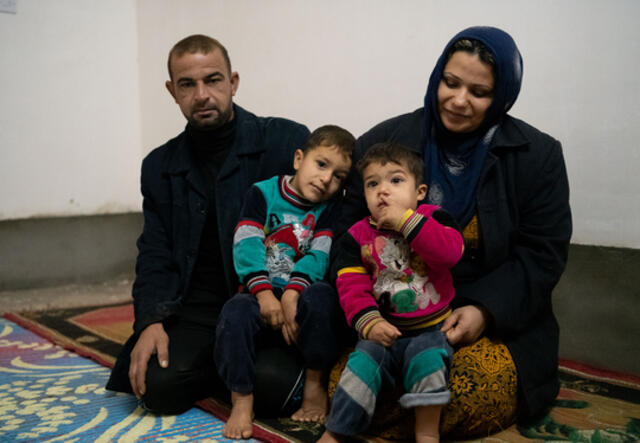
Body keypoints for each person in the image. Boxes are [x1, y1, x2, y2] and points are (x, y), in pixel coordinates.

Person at [334, 26, 572, 438]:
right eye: (450, 82)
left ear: (502, 96)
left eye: (479, 92)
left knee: (470, 393)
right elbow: (346, 238)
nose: (459, 100)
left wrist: (485, 309)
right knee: (354, 377)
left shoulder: (538, 156)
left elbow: (542, 254)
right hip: (394, 315)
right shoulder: (385, 142)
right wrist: (370, 317)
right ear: (436, 78)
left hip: (491, 321)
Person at [105, 34, 311, 416]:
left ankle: (229, 371)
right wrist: (150, 321)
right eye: (187, 84)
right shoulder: (160, 166)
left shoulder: (285, 142)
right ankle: (224, 369)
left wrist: (297, 299)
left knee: (274, 393)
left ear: (233, 82)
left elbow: (320, 225)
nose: (202, 94)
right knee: (155, 390)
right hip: (195, 311)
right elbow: (154, 251)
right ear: (172, 91)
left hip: (262, 305)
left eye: (213, 80)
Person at [214, 125, 354, 439]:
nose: (326, 179)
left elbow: (320, 253)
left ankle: (315, 383)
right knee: (234, 313)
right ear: (298, 159)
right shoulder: (262, 192)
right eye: (321, 164)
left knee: (322, 298)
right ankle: (241, 398)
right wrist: (264, 294)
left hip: (300, 295)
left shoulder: (329, 209)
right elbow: (246, 243)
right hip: (257, 292)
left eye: (338, 176)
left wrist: (293, 292)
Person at [320, 143, 464, 443]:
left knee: (428, 363)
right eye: (373, 184)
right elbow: (351, 286)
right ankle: (336, 432)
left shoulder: (434, 218)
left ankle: (426, 432)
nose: (383, 191)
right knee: (360, 366)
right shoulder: (356, 236)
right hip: (382, 332)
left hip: (430, 331)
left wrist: (406, 221)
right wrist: (369, 323)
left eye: (396, 181)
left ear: (419, 191)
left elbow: (449, 253)